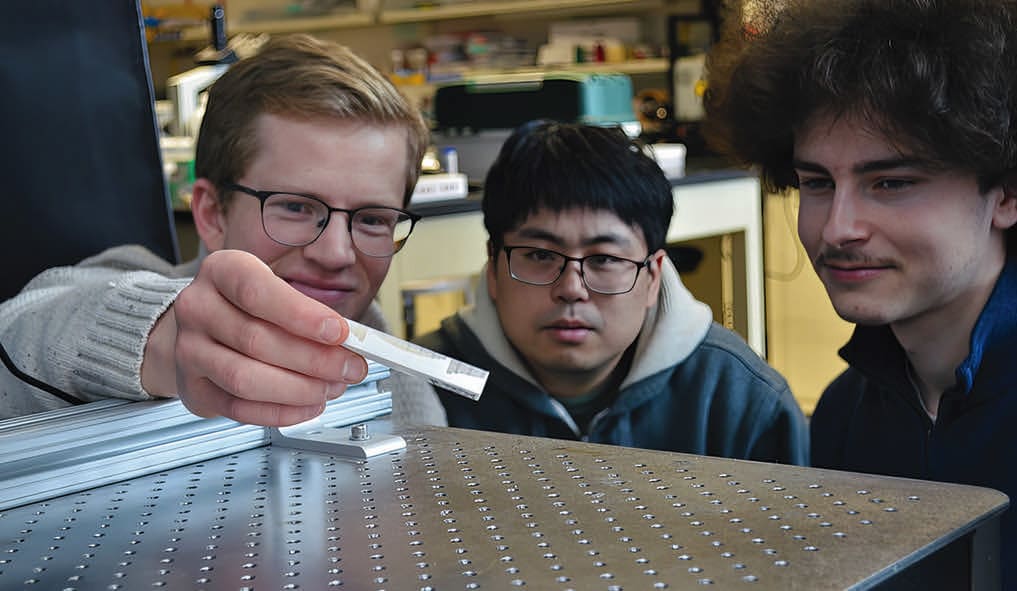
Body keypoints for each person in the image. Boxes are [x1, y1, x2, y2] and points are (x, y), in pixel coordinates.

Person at [703, 0, 1017, 586]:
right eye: (817, 183)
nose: (837, 228)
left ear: (1005, 194)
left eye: (891, 182)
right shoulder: (846, 413)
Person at [0, 34, 446, 428]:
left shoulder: (401, 381)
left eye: (372, 219)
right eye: (295, 207)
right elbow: (20, 334)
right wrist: (160, 335)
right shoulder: (131, 282)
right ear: (212, 213)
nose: (335, 254)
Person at [414, 120, 808, 463]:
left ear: (653, 276)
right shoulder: (420, 386)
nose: (571, 289)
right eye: (539, 255)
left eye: (604, 259)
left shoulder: (742, 401)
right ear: (493, 266)